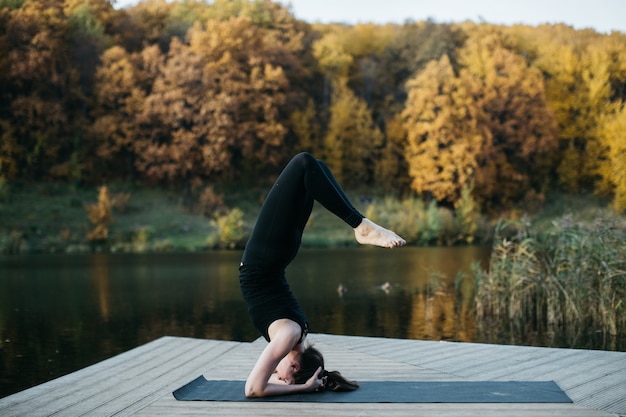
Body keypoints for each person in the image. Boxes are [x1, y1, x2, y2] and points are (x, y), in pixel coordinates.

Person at [239, 152, 405, 398]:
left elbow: (289, 371)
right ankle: (362, 226)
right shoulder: (289, 336)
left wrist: (309, 380)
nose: (276, 375)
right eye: (281, 376)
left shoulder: (301, 335)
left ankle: (362, 226)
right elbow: (253, 389)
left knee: (315, 169)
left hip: (279, 254)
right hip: (265, 256)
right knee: (303, 163)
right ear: (295, 366)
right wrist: (303, 387)